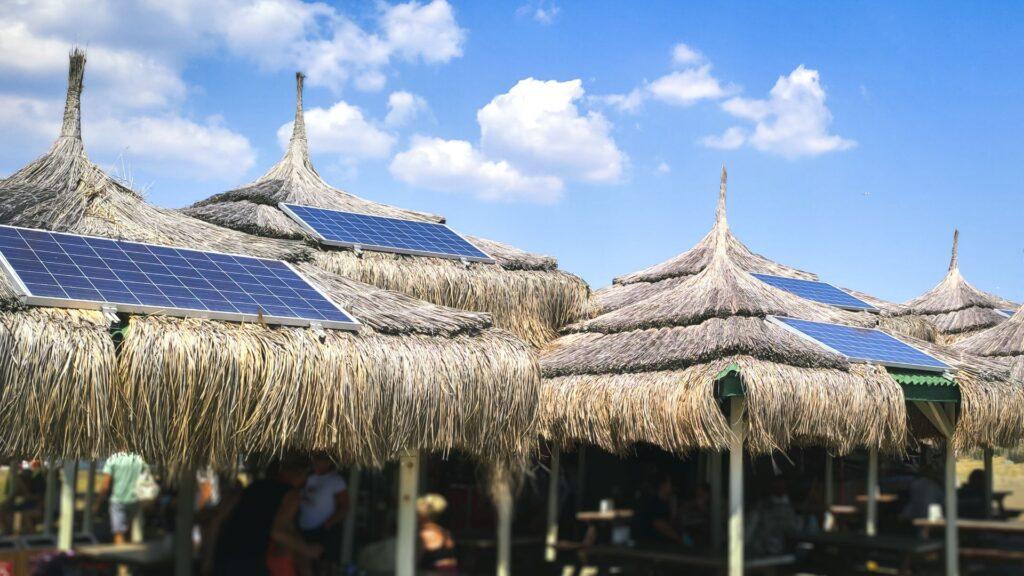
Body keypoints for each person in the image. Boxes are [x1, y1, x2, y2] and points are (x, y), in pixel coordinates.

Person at [213, 456, 321, 576]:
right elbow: (278, 531)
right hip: (252, 558)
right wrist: (308, 550)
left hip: (226, 553)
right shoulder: (291, 495)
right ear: (300, 473)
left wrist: (208, 559)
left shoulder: (253, 487)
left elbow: (219, 519)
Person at [299, 454, 349, 576]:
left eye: (320, 459)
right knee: (304, 565)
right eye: (315, 458)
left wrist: (328, 524)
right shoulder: (307, 478)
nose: (316, 462)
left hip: (323, 530)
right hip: (303, 528)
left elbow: (345, 507)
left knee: (323, 567)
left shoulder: (336, 480)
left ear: (328, 462)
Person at [101, 453, 149, 545]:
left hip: (118, 500)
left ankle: (121, 558)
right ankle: (130, 555)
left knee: (118, 532)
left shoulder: (113, 459)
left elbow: (105, 486)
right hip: (135, 500)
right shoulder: (139, 459)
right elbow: (146, 477)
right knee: (128, 530)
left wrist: (98, 502)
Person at [631, 472, 685, 548]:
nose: (672, 486)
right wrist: (680, 539)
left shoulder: (666, 501)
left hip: (662, 544)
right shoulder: (654, 502)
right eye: (669, 483)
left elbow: (671, 521)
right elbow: (660, 524)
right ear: (662, 485)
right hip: (652, 546)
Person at [746, 477, 797, 556]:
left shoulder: (789, 506)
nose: (779, 486)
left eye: (781, 484)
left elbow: (792, 528)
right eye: (776, 484)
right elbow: (749, 531)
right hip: (760, 551)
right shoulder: (761, 507)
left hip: (781, 550)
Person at [416, 494, 457, 573]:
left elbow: (414, 559)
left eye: (417, 514)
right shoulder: (443, 531)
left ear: (422, 516)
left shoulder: (427, 533)